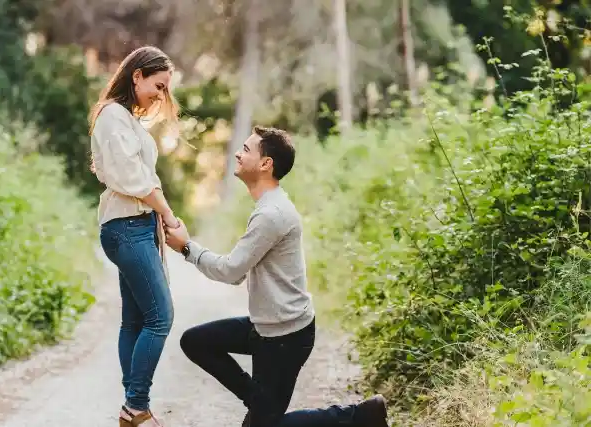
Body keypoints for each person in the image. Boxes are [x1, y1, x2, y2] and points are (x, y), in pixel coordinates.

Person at [165, 125, 390, 427]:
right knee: (195, 341)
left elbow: (232, 271)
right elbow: (238, 273)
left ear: (265, 163)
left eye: (246, 149)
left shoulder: (272, 214)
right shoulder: (267, 208)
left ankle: (358, 416)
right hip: (265, 329)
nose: (237, 153)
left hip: (286, 337)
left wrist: (187, 248)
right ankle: (260, 402)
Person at [89, 45, 181, 427]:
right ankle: (136, 406)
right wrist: (169, 214)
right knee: (161, 316)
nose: (160, 96)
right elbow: (132, 177)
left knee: (137, 320)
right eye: (157, 86)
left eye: (164, 90)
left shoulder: (124, 118)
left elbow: (127, 172)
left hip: (135, 225)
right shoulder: (113, 115)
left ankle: (133, 406)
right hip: (127, 226)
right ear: (136, 75)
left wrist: (157, 215)